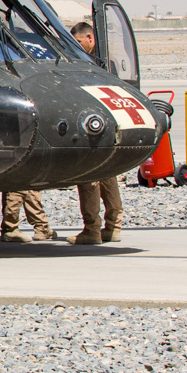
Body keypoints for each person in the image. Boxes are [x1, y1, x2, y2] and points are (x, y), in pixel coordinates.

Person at [68, 21, 125, 244]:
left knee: (89, 178)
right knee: (108, 176)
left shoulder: (86, 65)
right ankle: (113, 226)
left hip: (94, 127)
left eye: (79, 41)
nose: (76, 46)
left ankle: (92, 230)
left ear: (90, 38)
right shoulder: (106, 63)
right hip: (109, 126)